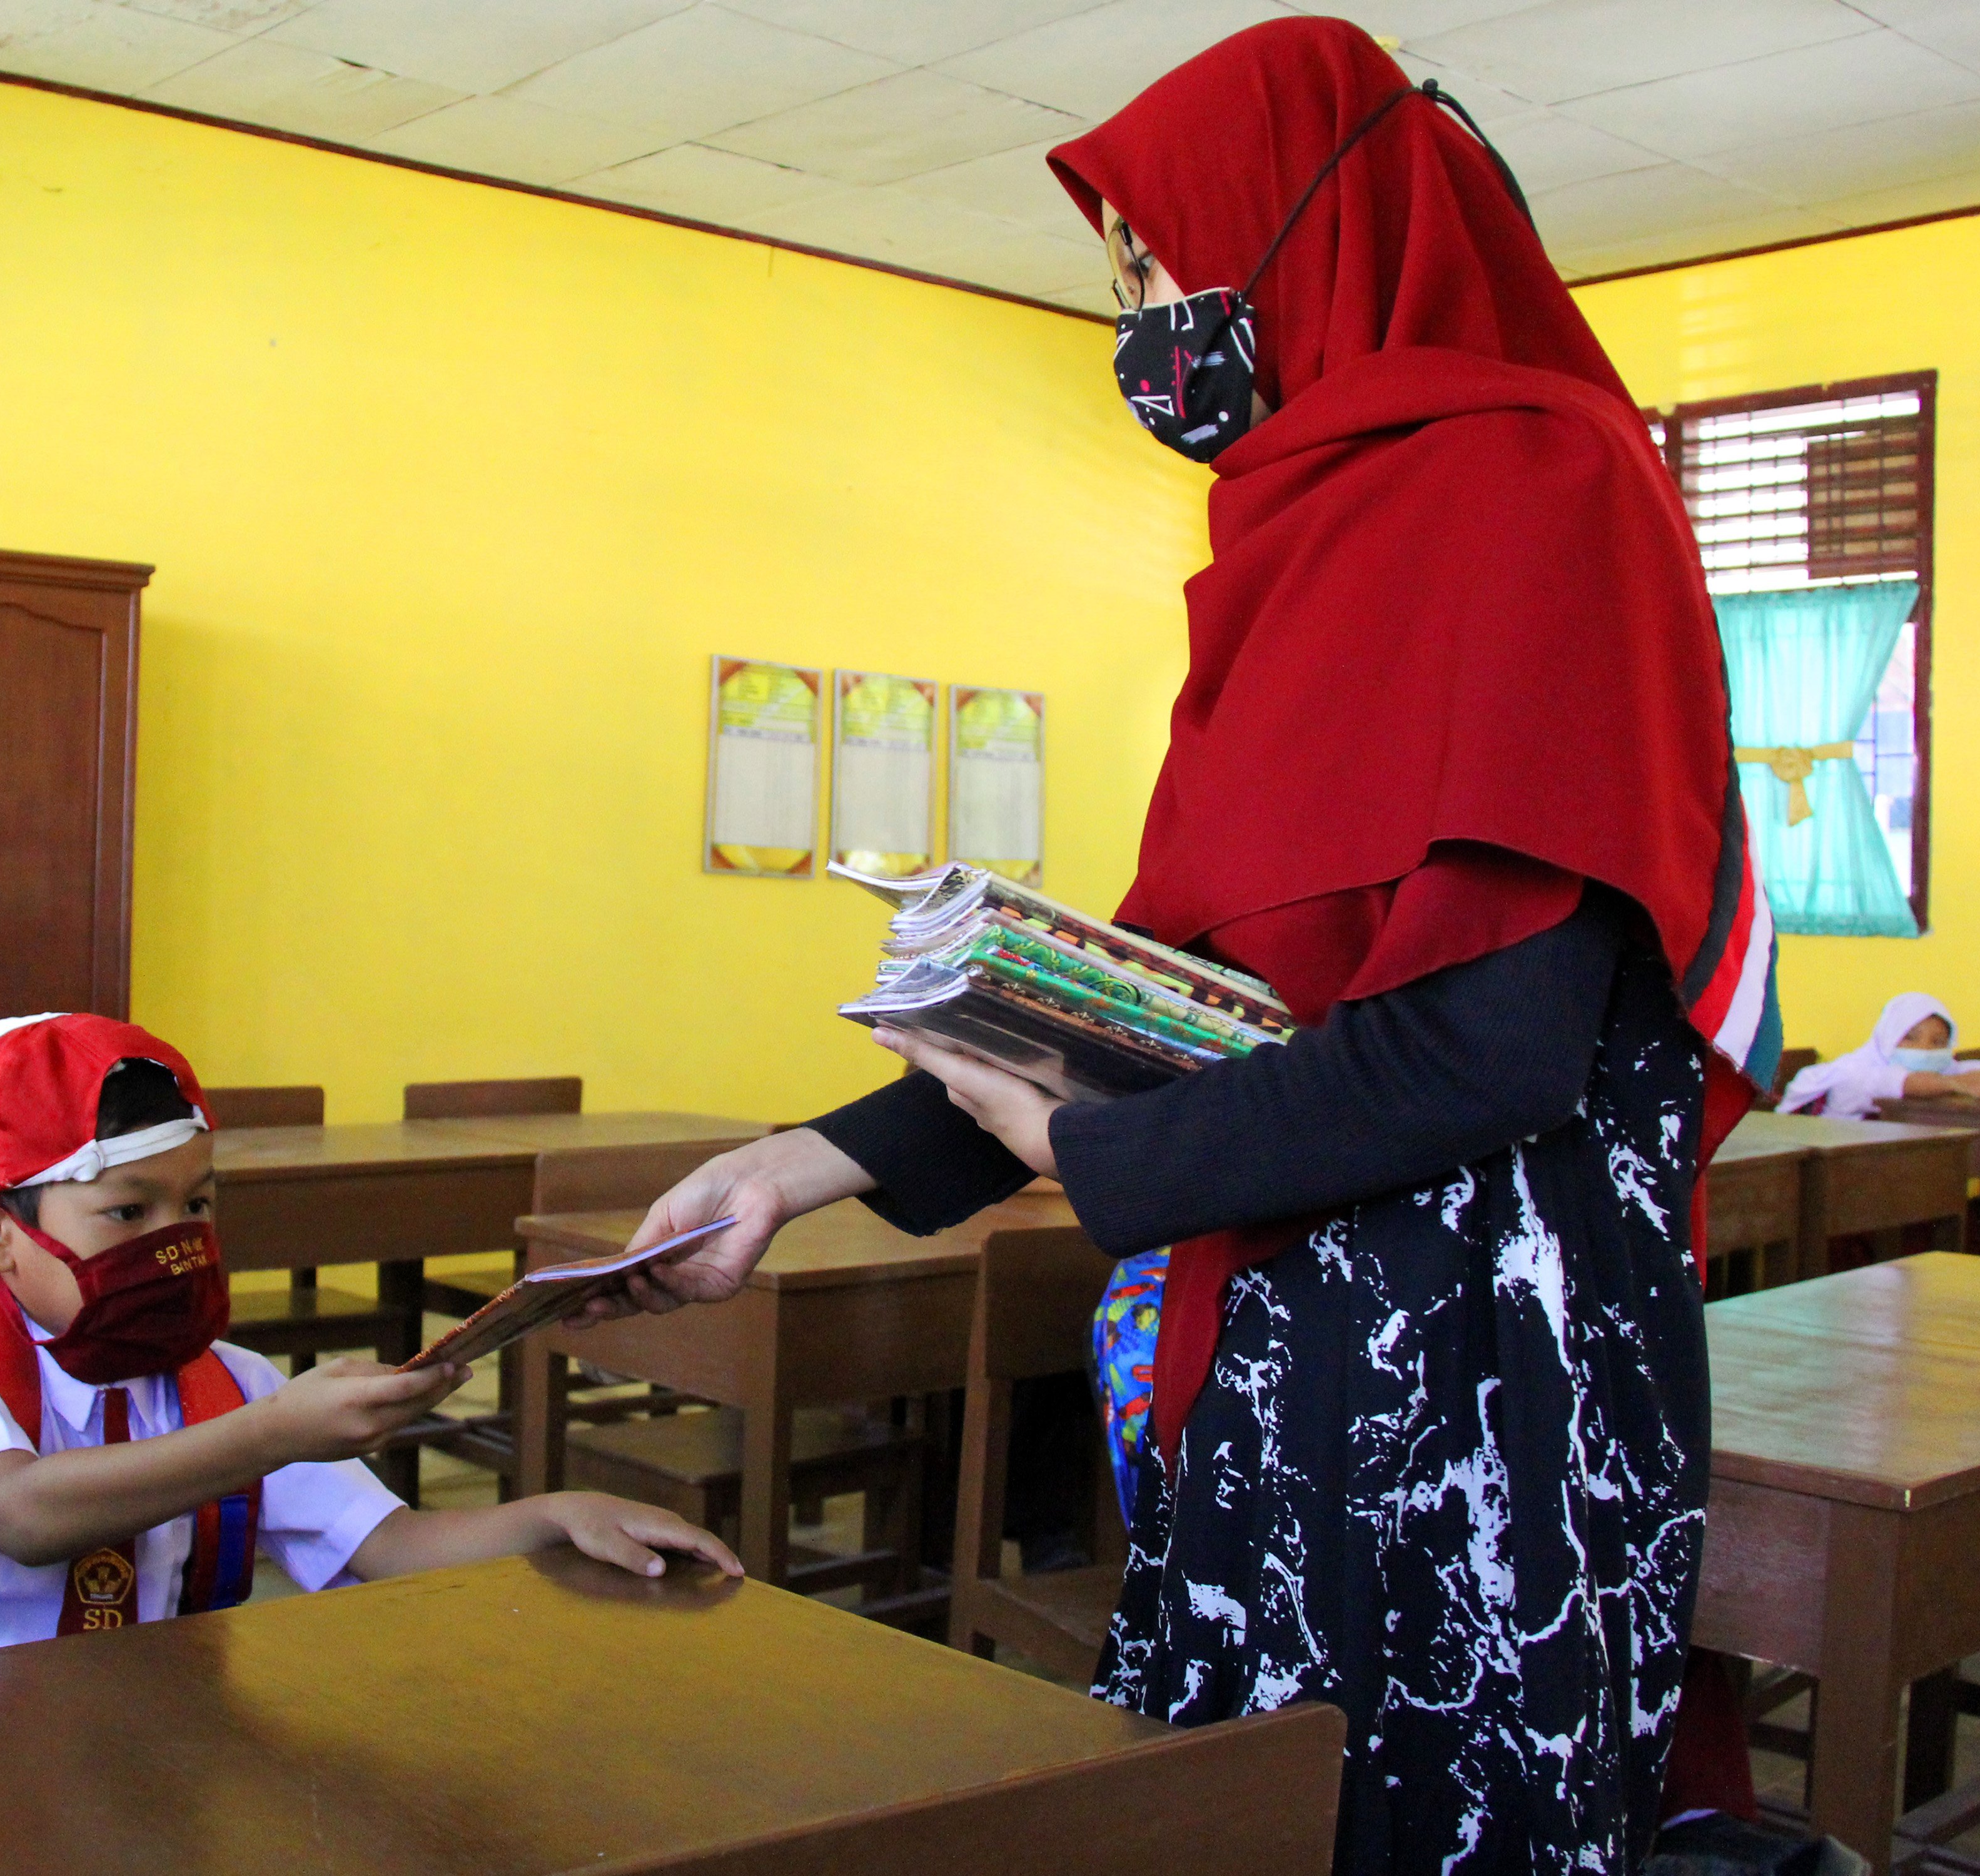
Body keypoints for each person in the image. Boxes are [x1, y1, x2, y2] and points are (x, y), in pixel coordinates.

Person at [580, 20, 1781, 1874]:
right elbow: (1155, 1007)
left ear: (1313, 235)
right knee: (1241, 1811)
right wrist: (795, 1168)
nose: (1140, 314)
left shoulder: (1538, 496)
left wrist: (1097, 1156)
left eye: (1158, 258)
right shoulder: (1316, 540)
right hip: (1292, 1348)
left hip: (1479, 1389)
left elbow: (1496, 1043)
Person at [0, 1012, 736, 1670]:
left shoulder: (224, 1382)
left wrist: (550, 1517)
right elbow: (22, 1516)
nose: (173, 1238)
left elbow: (391, 1548)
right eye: (127, 1211)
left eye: (196, 1204)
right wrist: (272, 1436)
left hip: (140, 1737)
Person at [1777, 992, 1980, 1119]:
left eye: (1939, 1042)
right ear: (1887, 1037)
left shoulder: (1941, 1069)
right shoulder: (1853, 1072)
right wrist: (1955, 1083)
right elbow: (1901, 1083)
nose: (1925, 1049)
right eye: (1910, 1038)